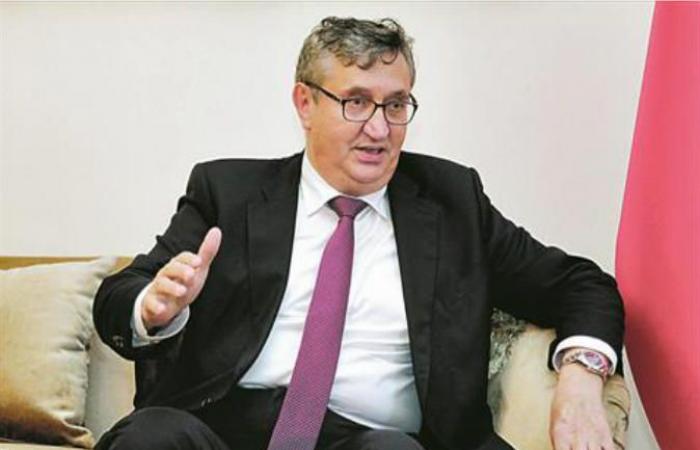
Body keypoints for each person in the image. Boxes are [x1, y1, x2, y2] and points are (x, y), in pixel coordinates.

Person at [94, 16, 624, 450]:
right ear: (305, 104)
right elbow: (120, 297)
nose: (379, 128)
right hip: (221, 429)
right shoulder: (229, 193)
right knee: (152, 438)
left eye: (395, 104)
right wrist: (153, 309)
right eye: (356, 101)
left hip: (372, 440)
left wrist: (580, 376)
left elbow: (581, 284)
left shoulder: (452, 202)